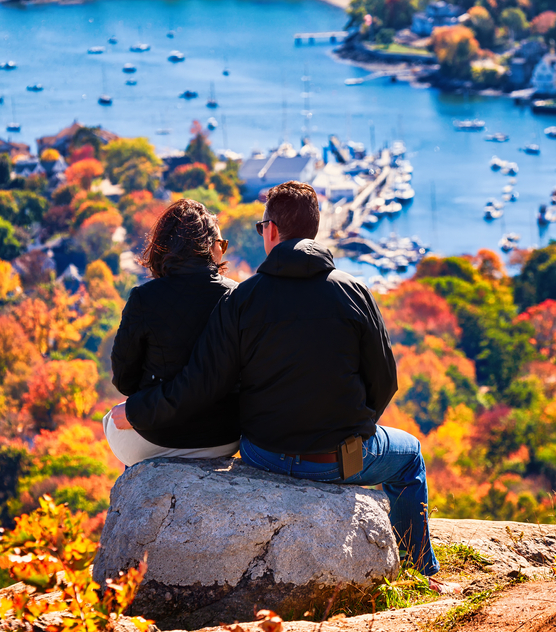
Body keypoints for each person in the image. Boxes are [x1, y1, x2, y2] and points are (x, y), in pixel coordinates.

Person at [115, 181, 451, 587]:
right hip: (337, 459)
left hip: (264, 455)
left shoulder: (242, 300)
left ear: (270, 230)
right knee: (410, 456)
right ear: (314, 229)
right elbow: (385, 381)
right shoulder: (354, 291)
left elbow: (204, 383)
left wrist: (136, 411)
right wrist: (352, 431)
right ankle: (420, 574)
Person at [105, 198, 240, 467]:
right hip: (224, 437)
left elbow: (124, 381)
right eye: (221, 245)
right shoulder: (237, 297)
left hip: (157, 434)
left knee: (112, 420)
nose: (222, 252)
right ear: (210, 249)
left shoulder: (145, 299)